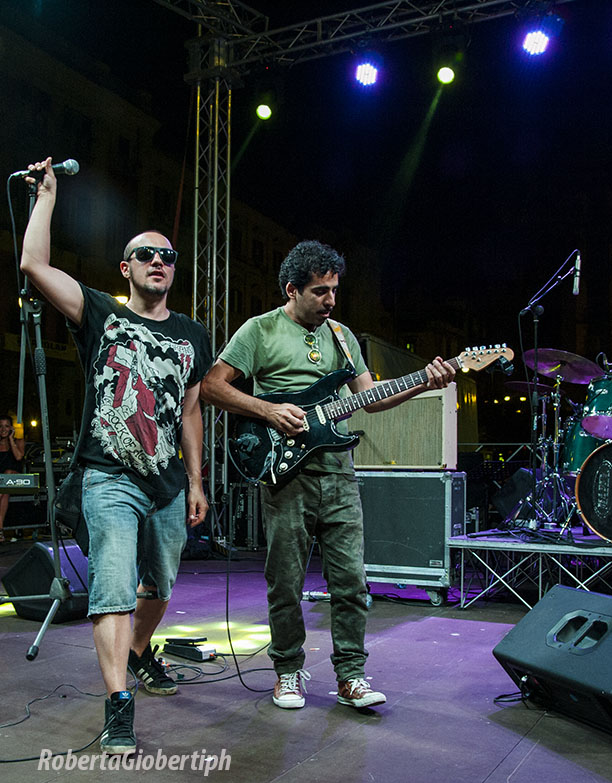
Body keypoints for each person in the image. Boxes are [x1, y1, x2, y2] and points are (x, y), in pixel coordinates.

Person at [201, 240, 456, 710]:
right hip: (284, 473)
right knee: (285, 580)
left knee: (351, 581)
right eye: (320, 292)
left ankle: (351, 676)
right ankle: (288, 672)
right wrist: (268, 409)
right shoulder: (259, 331)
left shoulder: (342, 336)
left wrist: (424, 379)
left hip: (338, 472)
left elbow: (370, 398)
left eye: (334, 290)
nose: (331, 301)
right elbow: (212, 387)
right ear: (291, 290)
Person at [20, 157, 212, 753]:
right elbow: (33, 264)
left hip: (168, 481)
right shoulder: (101, 312)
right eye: (147, 255)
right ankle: (118, 701)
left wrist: (198, 482)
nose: (160, 262)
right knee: (112, 587)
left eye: (168, 257)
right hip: (109, 474)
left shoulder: (192, 333)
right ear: (125, 267)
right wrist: (47, 197)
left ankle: (137, 652)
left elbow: (190, 410)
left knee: (160, 585)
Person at [0, 415, 25, 541]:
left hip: (17, 479)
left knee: (8, 473)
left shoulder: (18, 442)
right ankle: (0, 531)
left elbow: (19, 457)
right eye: (0, 426)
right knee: (4, 493)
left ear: (11, 428)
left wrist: (11, 439)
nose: (3, 429)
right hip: (3, 485)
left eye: (6, 426)